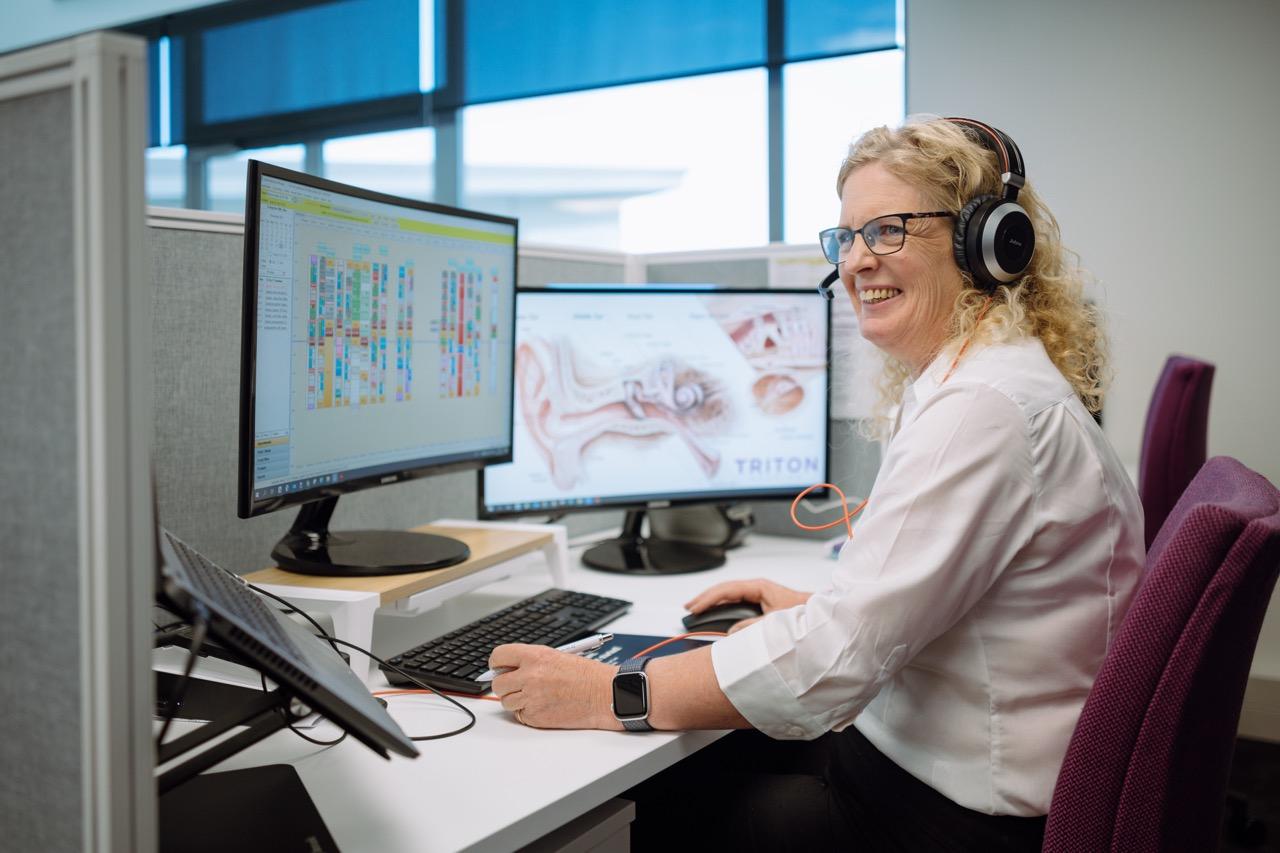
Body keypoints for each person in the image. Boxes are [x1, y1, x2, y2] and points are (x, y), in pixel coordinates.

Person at [487, 115, 1145, 851]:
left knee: (653, 800)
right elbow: (923, 606)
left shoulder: (984, 408)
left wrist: (606, 692)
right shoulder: (978, 380)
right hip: (954, 766)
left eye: (888, 230)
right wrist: (816, 605)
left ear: (982, 243)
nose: (859, 260)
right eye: (848, 237)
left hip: (960, 816)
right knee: (697, 757)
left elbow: (830, 664)